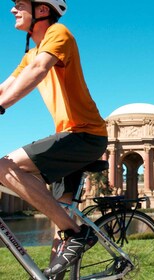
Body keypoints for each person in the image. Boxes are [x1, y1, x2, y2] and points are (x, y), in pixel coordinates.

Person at [0, 0, 108, 276]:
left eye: (20, 4)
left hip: (85, 134)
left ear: (42, 10)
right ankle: (66, 240)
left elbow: (38, 72)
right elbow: (5, 87)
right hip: (67, 137)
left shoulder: (58, 35)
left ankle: (78, 233)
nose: (13, 10)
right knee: (59, 216)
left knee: (3, 167)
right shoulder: (30, 54)